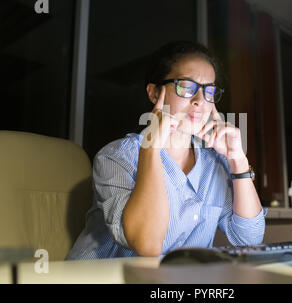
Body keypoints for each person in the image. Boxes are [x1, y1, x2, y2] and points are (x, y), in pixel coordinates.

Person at [66, 41, 267, 260]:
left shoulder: (214, 163)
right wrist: (151, 149)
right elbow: (148, 245)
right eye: (186, 87)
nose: (200, 101)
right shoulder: (116, 157)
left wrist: (237, 161)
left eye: (209, 91)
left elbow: (249, 239)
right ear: (154, 93)